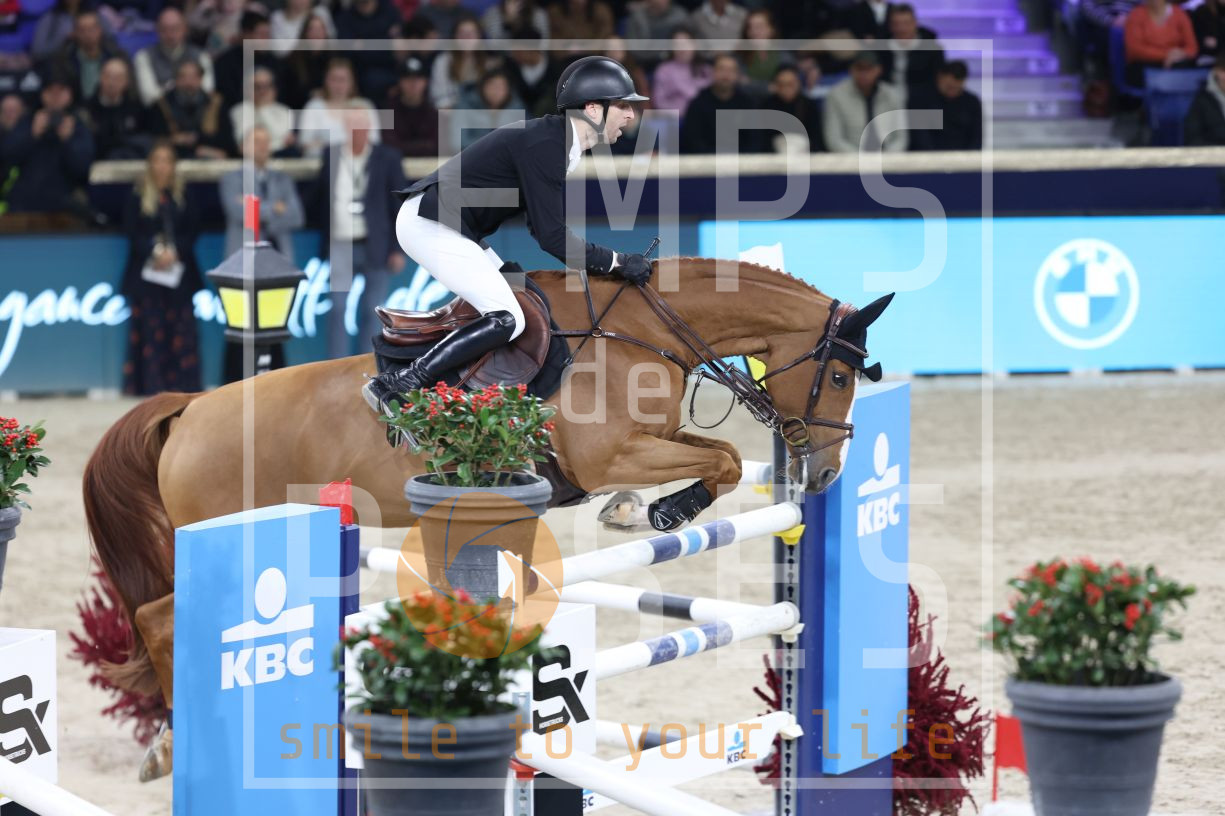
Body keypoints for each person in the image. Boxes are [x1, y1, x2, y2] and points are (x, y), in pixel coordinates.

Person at [361, 56, 651, 421]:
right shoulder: (549, 145)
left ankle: (478, 398)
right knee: (507, 316)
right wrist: (617, 262)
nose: (631, 114)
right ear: (593, 109)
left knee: (526, 300)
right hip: (430, 224)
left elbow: (541, 229)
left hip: (451, 224)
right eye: (623, 105)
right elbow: (551, 237)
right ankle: (400, 382)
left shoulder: (558, 142)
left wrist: (610, 262)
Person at [316, 109, 408, 359]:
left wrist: (397, 248)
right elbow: (320, 197)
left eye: (362, 127)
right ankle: (337, 365)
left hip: (375, 243)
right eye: (353, 127)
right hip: (340, 242)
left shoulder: (387, 157)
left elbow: (397, 205)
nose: (358, 132)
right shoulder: (332, 154)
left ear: (370, 129)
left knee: (372, 310)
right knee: (337, 308)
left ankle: (367, 364)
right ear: (346, 129)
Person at [119, 140, 202, 395]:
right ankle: (150, 386)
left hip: (179, 277)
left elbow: (193, 230)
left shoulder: (185, 196)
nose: (162, 166)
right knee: (149, 331)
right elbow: (131, 232)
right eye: (157, 160)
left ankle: (182, 386)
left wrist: (175, 252)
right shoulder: (137, 196)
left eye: (167, 160)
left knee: (182, 330)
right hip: (147, 279)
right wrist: (155, 251)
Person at [2, 73, 95, 217]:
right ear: (42, 94)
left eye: (61, 91)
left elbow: (83, 169)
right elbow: (6, 157)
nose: (55, 97)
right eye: (50, 91)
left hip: (64, 208)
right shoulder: (28, 121)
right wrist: (31, 135)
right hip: (23, 205)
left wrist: (68, 141)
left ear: (70, 94)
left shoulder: (77, 126)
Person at [220, 125, 304, 260]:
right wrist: (275, 207)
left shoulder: (283, 179)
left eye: (266, 142)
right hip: (243, 259)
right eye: (256, 142)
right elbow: (239, 213)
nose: (262, 146)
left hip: (279, 258)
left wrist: (253, 206)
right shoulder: (232, 179)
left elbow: (296, 217)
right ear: (242, 147)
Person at [679, 53, 765, 153]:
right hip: (707, 160)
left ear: (737, 75)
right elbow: (693, 141)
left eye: (731, 70)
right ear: (713, 72)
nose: (726, 75)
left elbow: (755, 141)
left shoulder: (748, 104)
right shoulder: (698, 103)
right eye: (721, 69)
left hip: (742, 160)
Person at [823, 50, 907, 153]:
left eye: (869, 68)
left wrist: (887, 158)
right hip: (851, 157)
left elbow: (901, 138)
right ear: (851, 70)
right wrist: (861, 159)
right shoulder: (836, 95)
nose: (864, 73)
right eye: (859, 68)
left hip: (888, 157)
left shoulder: (892, 95)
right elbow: (834, 140)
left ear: (879, 70)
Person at [146, 59, 230, 159]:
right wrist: (174, 140)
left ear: (201, 79)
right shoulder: (161, 105)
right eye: (183, 77)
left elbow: (227, 141)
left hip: (208, 157)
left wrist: (200, 141)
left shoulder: (216, 103)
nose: (188, 82)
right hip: (172, 156)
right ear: (176, 79)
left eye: (194, 77)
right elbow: (152, 138)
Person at [298, 58, 381, 157]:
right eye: (333, 79)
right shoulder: (314, 106)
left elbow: (374, 142)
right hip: (320, 163)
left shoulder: (365, 106)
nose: (338, 85)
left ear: (352, 82)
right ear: (326, 81)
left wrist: (325, 144)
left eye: (342, 80)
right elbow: (305, 143)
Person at [132, 7, 215, 107]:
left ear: (185, 29)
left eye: (175, 28)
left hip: (196, 112)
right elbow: (149, 98)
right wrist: (183, 86)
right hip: (159, 113)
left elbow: (207, 92)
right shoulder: (143, 57)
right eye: (164, 29)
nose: (170, 34)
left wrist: (166, 88)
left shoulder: (201, 56)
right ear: (157, 30)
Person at [47, 10, 126, 102]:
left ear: (100, 30)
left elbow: (130, 90)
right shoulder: (63, 59)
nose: (87, 34)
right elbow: (60, 91)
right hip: (76, 107)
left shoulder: (116, 56)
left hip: (110, 106)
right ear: (75, 33)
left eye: (92, 29)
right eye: (82, 30)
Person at [908, 60, 982, 151]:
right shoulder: (920, 99)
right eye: (949, 87)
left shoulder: (971, 102)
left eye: (957, 88)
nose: (952, 91)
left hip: (962, 156)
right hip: (927, 155)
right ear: (940, 77)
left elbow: (976, 138)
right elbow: (919, 136)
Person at [82, 57, 147, 160]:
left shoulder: (136, 107)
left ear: (126, 81)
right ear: (100, 77)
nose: (112, 83)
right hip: (96, 164)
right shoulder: (87, 108)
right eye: (108, 76)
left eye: (118, 78)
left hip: (129, 164)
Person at [1123, 0, 1198, 86]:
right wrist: (1166, 55)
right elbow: (1134, 49)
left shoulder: (1179, 14)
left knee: (1185, 67)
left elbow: (1192, 48)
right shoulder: (1136, 15)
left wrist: (1181, 54)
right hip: (1144, 65)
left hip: (1174, 64)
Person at [879, 3, 944, 100]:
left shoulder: (932, 49)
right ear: (890, 26)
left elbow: (937, 81)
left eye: (906, 23)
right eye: (896, 24)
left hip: (921, 101)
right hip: (887, 100)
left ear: (915, 23)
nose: (901, 29)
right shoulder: (882, 47)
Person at [229, 66, 295, 156]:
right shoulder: (239, 111)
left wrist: (264, 108)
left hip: (279, 156)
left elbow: (283, 139)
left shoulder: (284, 111)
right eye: (257, 87)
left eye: (267, 86)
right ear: (247, 89)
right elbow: (244, 142)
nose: (262, 91)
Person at [384, 57, 439, 157]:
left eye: (418, 79)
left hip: (429, 164)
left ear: (425, 82)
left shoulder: (433, 111)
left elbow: (436, 146)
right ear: (400, 82)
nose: (413, 84)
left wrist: (403, 146)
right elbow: (388, 145)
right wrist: (423, 146)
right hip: (395, 163)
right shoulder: (388, 110)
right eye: (408, 79)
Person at [764, 64, 823, 152]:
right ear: (775, 85)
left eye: (790, 84)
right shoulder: (766, 106)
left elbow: (817, 138)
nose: (786, 89)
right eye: (781, 85)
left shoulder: (809, 106)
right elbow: (762, 140)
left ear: (798, 83)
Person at [652, 28, 711, 113]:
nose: (682, 49)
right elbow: (659, 102)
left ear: (694, 45)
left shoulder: (706, 69)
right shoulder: (663, 70)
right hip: (674, 117)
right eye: (677, 45)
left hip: (703, 116)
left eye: (686, 44)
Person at [626, 0, 689, 69]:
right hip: (645, 65)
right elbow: (633, 49)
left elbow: (688, 44)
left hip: (677, 63)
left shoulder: (679, 15)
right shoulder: (637, 17)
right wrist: (659, 55)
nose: (661, 1)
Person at [1184, 54, 1225, 146]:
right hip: (1214, 152)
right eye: (1223, 71)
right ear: (1216, 72)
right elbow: (1193, 139)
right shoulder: (1202, 101)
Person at [548, 0, 615, 49]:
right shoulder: (554, 12)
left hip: (596, 55)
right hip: (563, 58)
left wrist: (587, 48)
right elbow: (552, 39)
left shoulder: (602, 10)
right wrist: (567, 50)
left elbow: (605, 35)